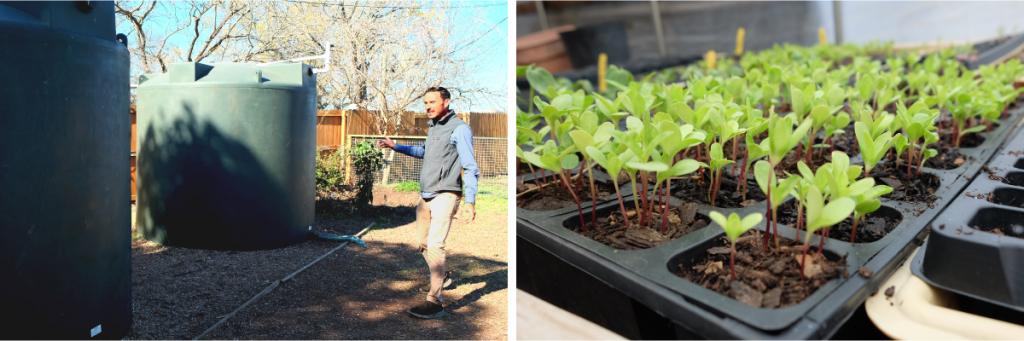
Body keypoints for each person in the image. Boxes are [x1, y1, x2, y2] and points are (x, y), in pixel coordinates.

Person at [377, 86, 479, 319]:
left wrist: (470, 201)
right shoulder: (433, 128)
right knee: (422, 243)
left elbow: (470, 166)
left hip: (447, 193)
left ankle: (435, 301)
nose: (427, 107)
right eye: (425, 103)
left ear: (446, 102)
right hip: (427, 194)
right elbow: (424, 152)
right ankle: (442, 274)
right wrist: (396, 146)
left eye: (432, 102)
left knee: (435, 244)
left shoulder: (460, 129)